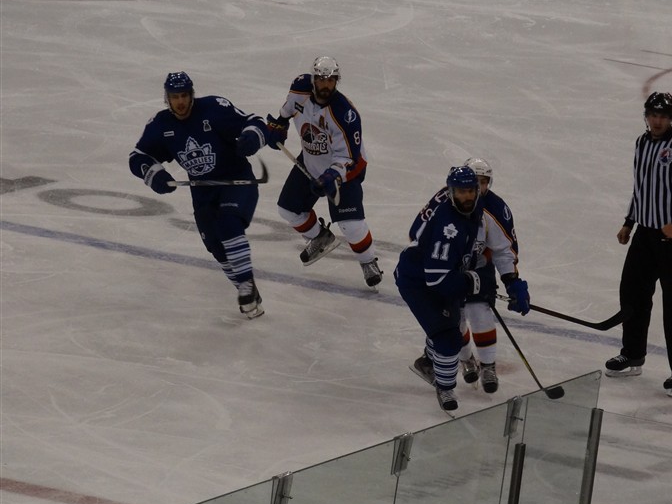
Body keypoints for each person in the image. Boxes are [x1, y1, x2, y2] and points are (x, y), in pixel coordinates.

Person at [129, 72, 269, 319]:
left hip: (236, 181)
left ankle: (246, 285)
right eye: (175, 97)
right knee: (215, 246)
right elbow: (137, 157)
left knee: (228, 224)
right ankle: (247, 291)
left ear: (192, 94)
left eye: (184, 95)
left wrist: (251, 138)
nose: (180, 102)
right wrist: (154, 174)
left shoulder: (214, 108)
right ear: (167, 98)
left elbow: (254, 121)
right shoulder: (161, 125)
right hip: (203, 193)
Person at [604, 91, 672, 398]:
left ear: (671, 118)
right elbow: (642, 188)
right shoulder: (642, 143)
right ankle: (632, 354)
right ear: (646, 116)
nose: (657, 121)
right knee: (632, 294)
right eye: (653, 115)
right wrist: (630, 222)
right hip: (646, 235)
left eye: (663, 116)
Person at [408, 157, 530, 395]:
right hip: (448, 266)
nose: (478, 189)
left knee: (480, 311)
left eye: (483, 182)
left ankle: (488, 366)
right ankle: (466, 360)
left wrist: (512, 281)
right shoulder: (445, 201)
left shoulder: (496, 209)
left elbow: (503, 249)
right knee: (455, 318)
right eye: (476, 182)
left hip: (478, 265)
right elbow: (418, 233)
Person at [264, 55, 382, 287]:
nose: (326, 84)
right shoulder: (300, 89)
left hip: (344, 172)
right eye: (321, 79)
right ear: (314, 79)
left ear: (337, 81)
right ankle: (320, 237)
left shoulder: (344, 114)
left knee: (351, 225)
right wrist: (279, 124)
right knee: (288, 210)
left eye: (331, 80)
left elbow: (348, 157)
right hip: (310, 161)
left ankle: (368, 261)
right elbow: (287, 110)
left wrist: (331, 176)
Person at [395, 166, 485, 413]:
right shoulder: (448, 229)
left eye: (470, 191)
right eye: (461, 192)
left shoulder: (461, 203)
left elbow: (415, 230)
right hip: (418, 283)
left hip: (441, 273)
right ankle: (445, 388)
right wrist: (470, 283)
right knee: (449, 339)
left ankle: (428, 360)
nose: (467, 196)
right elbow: (437, 281)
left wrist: (469, 275)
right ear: (451, 191)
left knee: (450, 324)